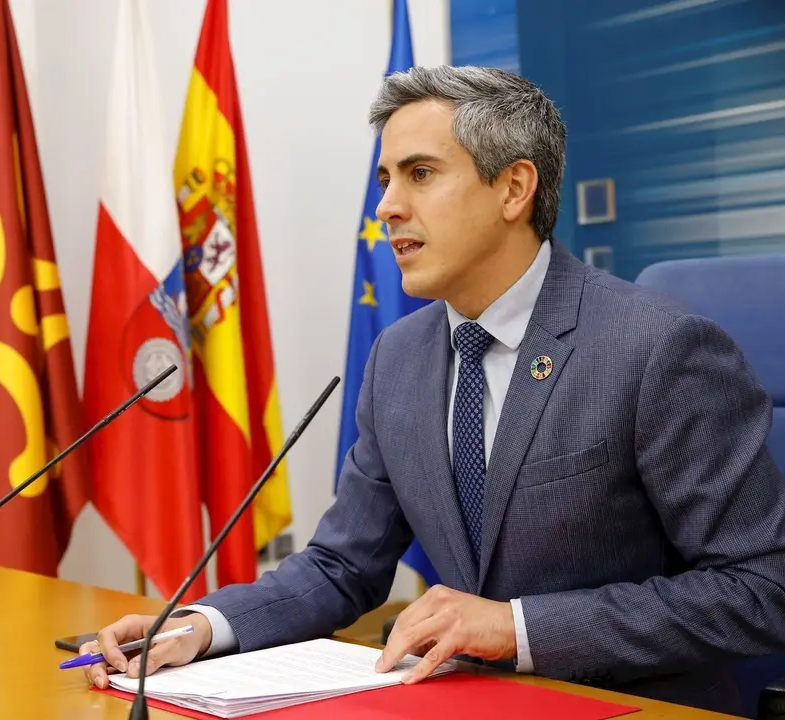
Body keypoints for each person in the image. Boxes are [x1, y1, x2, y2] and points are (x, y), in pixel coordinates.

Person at [80, 66, 785, 715]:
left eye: (419, 174)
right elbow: (343, 565)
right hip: (463, 702)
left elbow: (760, 589)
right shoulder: (400, 357)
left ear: (514, 188)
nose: (386, 206)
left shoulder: (656, 347)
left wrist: (515, 627)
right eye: (386, 178)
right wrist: (202, 626)